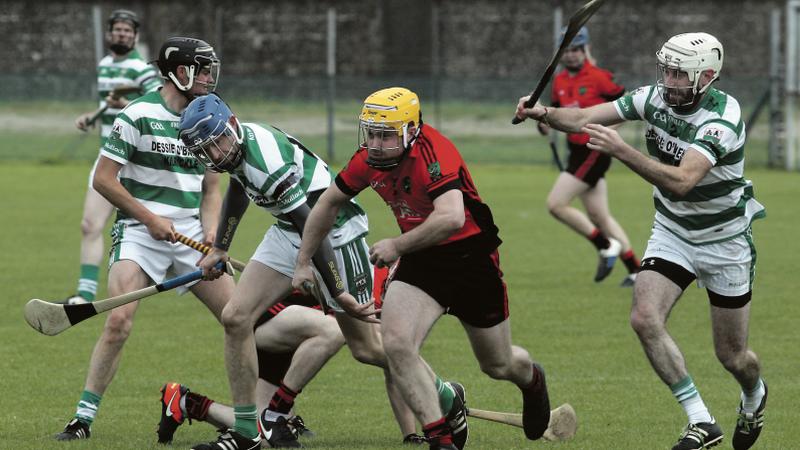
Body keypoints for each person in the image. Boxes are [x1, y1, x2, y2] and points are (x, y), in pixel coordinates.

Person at [515, 32, 767, 450]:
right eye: (665, 69)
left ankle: (754, 395)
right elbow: (584, 118)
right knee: (644, 318)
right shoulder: (653, 97)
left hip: (725, 242)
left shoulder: (721, 119)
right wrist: (541, 112)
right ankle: (701, 421)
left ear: (705, 76)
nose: (667, 80)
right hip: (673, 231)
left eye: (678, 73)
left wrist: (621, 151)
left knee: (733, 357)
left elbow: (684, 180)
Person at [177, 93, 466, 450]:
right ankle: (247, 432)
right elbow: (239, 185)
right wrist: (220, 247)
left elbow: (314, 223)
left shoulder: (265, 160)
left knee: (367, 348)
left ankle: (447, 396)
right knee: (235, 317)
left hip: (336, 233)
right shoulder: (237, 151)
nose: (215, 155)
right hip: (288, 228)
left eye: (218, 143)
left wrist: (336, 289)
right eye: (206, 150)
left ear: (232, 126)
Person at [293, 87, 552, 450]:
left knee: (497, 364)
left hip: (470, 261)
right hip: (422, 260)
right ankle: (440, 438)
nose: (377, 144)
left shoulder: (435, 151)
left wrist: (396, 245)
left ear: (411, 130)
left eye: (387, 135)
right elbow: (327, 204)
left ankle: (531, 379)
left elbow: (451, 217)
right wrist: (303, 261)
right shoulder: (367, 158)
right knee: (397, 345)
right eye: (372, 133)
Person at [54, 36, 234, 441]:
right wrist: (149, 218)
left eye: (209, 70)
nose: (208, 77)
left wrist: (211, 233)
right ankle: (82, 419)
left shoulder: (213, 115)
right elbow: (103, 180)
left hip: (190, 232)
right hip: (139, 231)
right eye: (201, 69)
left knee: (240, 318)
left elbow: (211, 190)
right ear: (178, 72)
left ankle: (269, 413)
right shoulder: (137, 114)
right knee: (118, 320)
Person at [157, 290, 345, 447]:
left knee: (262, 435)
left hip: (294, 334)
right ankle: (277, 411)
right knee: (333, 331)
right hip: (276, 320)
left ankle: (185, 402)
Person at [64, 9, 162, 305]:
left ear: (135, 36)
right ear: (110, 34)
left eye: (127, 31)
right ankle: (84, 294)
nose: (121, 34)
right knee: (89, 225)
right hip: (108, 153)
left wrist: (125, 104)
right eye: (117, 30)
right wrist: (91, 117)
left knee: (151, 227)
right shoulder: (105, 65)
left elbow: (156, 106)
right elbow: (109, 109)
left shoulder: (142, 69)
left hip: (135, 159)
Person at [538, 26, 640, 286]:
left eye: (576, 49)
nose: (571, 55)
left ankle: (606, 245)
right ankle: (636, 269)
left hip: (594, 151)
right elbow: (556, 115)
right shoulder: (559, 81)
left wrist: (608, 132)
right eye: (567, 51)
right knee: (599, 217)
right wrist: (542, 122)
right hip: (576, 152)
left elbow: (627, 104)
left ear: (585, 50)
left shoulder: (599, 77)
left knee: (556, 204)